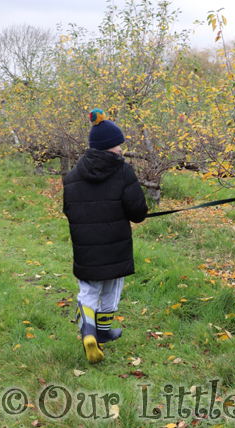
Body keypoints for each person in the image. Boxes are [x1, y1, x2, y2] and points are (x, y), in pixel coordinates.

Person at [63, 109, 148, 363]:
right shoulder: (123, 172)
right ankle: (103, 331)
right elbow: (137, 213)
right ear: (110, 146)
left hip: (85, 246)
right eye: (118, 144)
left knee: (87, 291)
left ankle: (89, 332)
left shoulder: (72, 176)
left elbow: (69, 210)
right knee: (112, 287)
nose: (121, 149)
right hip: (116, 246)